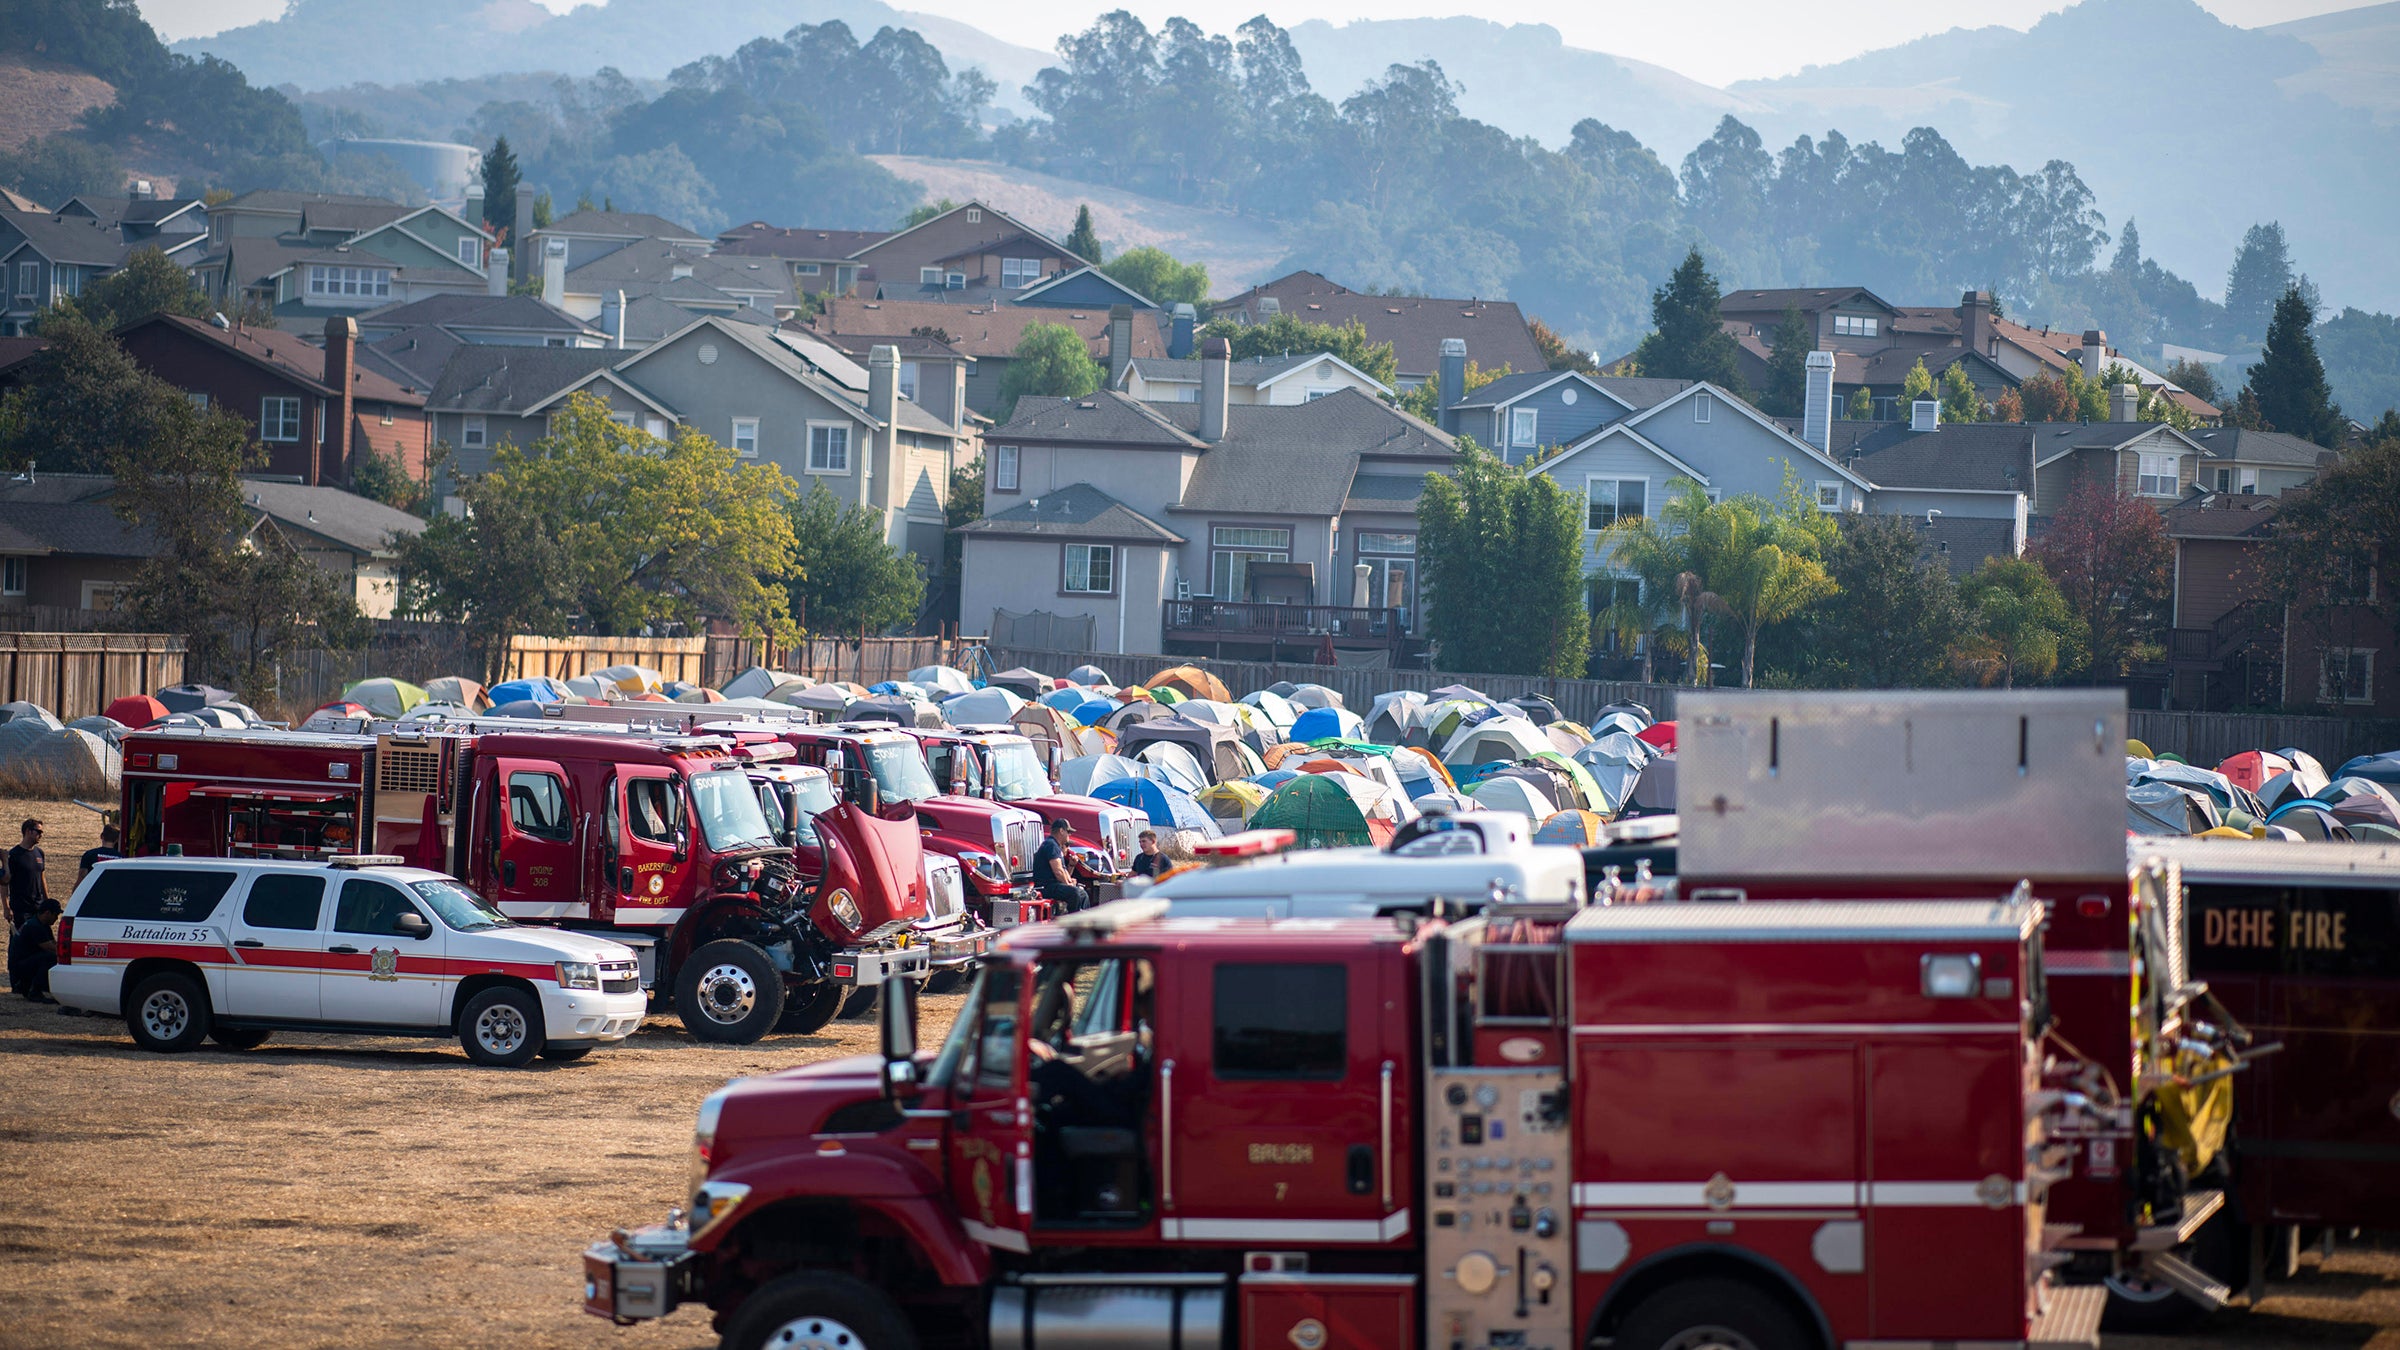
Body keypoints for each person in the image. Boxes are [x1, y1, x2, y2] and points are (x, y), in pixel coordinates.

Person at [1032, 818, 1090, 913]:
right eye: (1068, 832)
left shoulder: (1055, 846)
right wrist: (1069, 886)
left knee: (1082, 893)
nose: (1069, 835)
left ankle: (1083, 919)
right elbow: (1058, 872)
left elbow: (1063, 870)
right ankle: (1073, 921)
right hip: (1046, 887)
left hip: (1053, 885)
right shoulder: (1051, 845)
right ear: (1061, 831)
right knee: (1075, 893)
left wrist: (1070, 881)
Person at [9, 898, 60, 1003]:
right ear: (47, 913)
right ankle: (34, 991)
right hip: (20, 966)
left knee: (50, 957)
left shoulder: (41, 924)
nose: (57, 918)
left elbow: (54, 944)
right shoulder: (35, 926)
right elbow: (50, 948)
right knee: (50, 958)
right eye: (55, 915)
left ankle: (27, 985)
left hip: (25, 962)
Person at [7, 819, 46, 928]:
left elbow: (42, 878)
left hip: (38, 907)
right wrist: (6, 907)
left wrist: (46, 901)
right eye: (38, 832)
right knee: (20, 941)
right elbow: (4, 883)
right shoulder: (14, 855)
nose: (41, 835)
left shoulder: (40, 853)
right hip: (21, 909)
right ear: (28, 831)